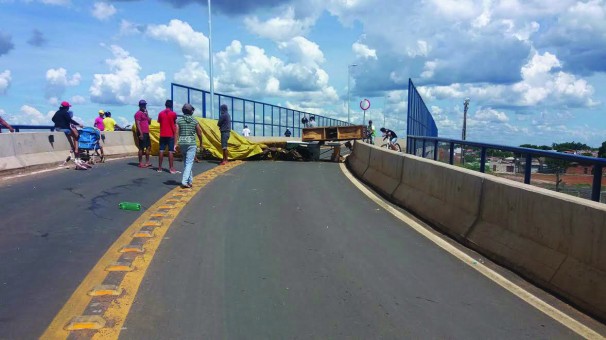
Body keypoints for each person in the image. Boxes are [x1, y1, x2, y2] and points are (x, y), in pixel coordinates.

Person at [175, 103, 203, 189]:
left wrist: (175, 144)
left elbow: (176, 132)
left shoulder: (179, 121)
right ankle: (184, 181)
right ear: (191, 111)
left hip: (182, 143)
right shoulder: (194, 121)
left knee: (186, 162)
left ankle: (190, 181)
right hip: (191, 143)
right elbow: (199, 132)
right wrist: (201, 142)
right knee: (189, 162)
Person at [157, 99, 178, 173]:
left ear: (165, 105)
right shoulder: (173, 114)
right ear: (171, 105)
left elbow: (159, 121)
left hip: (162, 134)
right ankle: (171, 168)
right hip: (170, 134)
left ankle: (159, 168)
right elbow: (174, 122)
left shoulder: (160, 113)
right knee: (170, 151)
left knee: (161, 150)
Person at [134, 99, 152, 168]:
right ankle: (140, 163)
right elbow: (137, 124)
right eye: (142, 105)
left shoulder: (145, 113)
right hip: (142, 132)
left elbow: (149, 122)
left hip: (146, 132)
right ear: (139, 105)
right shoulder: (138, 114)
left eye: (144, 105)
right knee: (141, 148)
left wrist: (147, 115)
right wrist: (141, 134)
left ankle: (147, 162)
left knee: (148, 147)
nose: (144, 106)